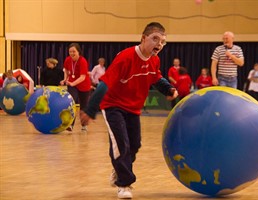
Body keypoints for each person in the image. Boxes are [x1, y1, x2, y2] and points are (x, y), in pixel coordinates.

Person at [80, 22, 178, 199]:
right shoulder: (125, 57)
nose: (159, 44)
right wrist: (90, 109)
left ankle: (118, 170)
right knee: (121, 143)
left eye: (163, 42)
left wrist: (168, 89)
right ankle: (124, 183)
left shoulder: (154, 60)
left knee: (135, 144)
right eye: (155, 39)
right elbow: (104, 85)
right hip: (113, 106)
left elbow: (155, 77)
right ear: (143, 38)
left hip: (133, 108)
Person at [60, 43, 91, 132]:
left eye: (74, 51)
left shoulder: (83, 61)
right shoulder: (67, 60)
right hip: (72, 84)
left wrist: (73, 83)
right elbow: (66, 70)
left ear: (78, 52)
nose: (72, 53)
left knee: (84, 106)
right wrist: (65, 79)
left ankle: (84, 125)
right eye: (70, 51)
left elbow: (83, 77)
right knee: (71, 103)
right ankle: (70, 124)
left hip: (84, 85)